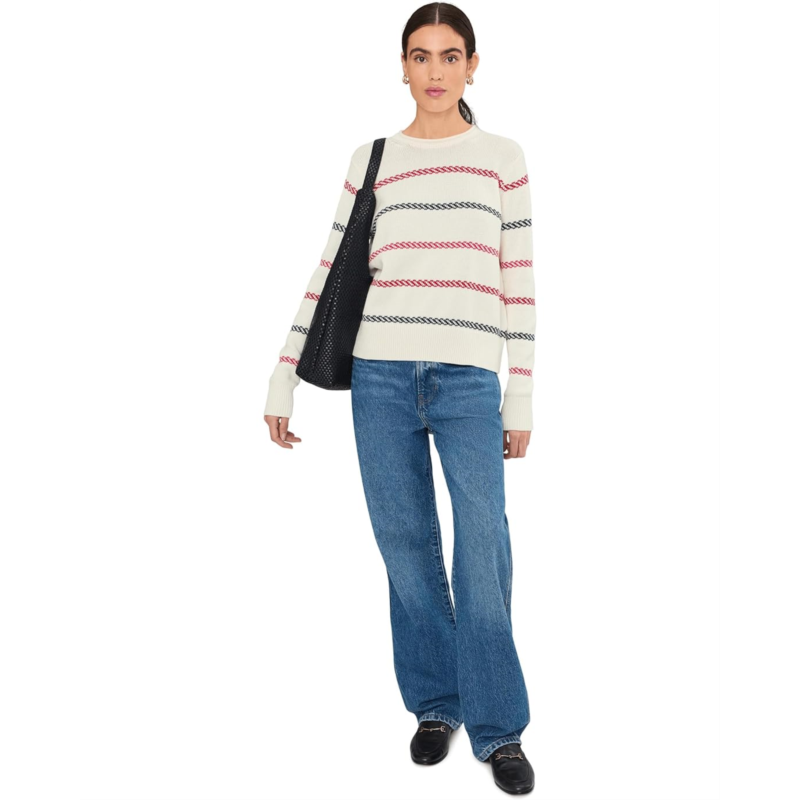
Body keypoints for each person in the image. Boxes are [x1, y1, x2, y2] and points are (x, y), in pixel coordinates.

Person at [263, 3, 536, 794]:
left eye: (451, 56)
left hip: (468, 379)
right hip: (378, 375)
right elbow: (331, 266)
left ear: (473, 66)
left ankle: (499, 728)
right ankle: (436, 706)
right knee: (406, 547)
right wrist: (284, 371)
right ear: (403, 67)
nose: (436, 71)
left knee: (481, 546)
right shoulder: (373, 157)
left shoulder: (503, 158)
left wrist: (521, 392)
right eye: (421, 56)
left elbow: (519, 279)